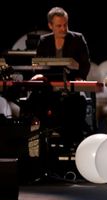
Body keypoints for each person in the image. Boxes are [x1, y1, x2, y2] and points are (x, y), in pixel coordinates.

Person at [26, 6, 91, 150]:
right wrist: (39, 73)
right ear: (50, 26)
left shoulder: (77, 39)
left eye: (65, 25)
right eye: (59, 26)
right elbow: (37, 64)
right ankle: (37, 146)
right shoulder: (44, 41)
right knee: (33, 102)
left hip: (71, 87)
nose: (63, 29)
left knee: (77, 102)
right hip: (49, 87)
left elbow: (85, 64)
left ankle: (71, 144)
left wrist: (79, 73)